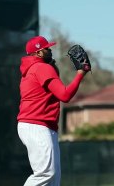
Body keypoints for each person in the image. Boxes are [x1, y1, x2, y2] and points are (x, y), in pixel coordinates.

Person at [17, 35, 90, 186]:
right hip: (36, 125)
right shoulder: (41, 67)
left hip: (41, 126)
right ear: (37, 53)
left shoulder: (36, 68)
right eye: (46, 49)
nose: (49, 50)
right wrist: (80, 74)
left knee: (53, 180)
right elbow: (64, 95)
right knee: (46, 174)